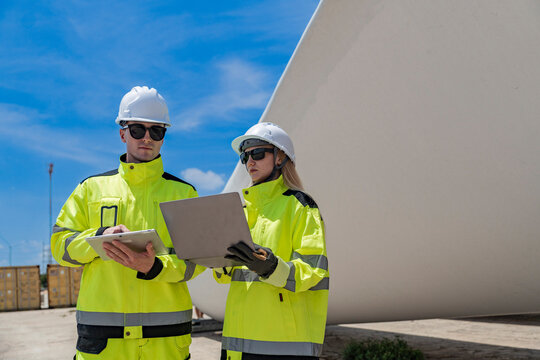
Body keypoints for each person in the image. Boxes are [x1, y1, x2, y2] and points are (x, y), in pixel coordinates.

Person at [51, 86, 205, 360]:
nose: (147, 138)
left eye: (156, 131)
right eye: (137, 130)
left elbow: (196, 261)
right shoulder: (90, 189)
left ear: (163, 137)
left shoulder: (184, 194)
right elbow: (60, 246)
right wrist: (99, 236)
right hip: (104, 342)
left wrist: (155, 266)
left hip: (165, 341)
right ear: (123, 133)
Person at [215, 122, 329, 360]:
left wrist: (272, 267)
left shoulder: (300, 206)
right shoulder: (240, 211)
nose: (250, 162)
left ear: (280, 158)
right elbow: (226, 276)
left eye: (257, 153)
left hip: (283, 346)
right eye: (244, 157)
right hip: (238, 343)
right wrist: (217, 258)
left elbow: (314, 271)